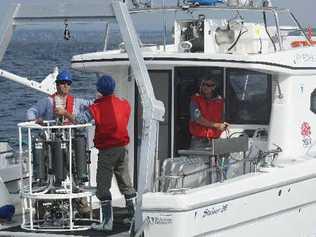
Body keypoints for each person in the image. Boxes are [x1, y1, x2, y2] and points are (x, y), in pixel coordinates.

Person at [56, 75, 137, 232]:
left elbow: (79, 120)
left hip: (107, 151)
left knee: (103, 188)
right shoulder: (124, 104)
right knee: (126, 184)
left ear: (99, 90)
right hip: (122, 149)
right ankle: (133, 216)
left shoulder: (96, 107)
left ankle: (107, 223)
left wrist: (65, 113)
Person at [26, 70, 91, 123]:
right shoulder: (47, 101)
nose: (66, 85)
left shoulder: (77, 102)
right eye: (63, 82)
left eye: (68, 83)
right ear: (57, 84)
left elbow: (94, 104)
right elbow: (31, 111)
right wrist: (34, 120)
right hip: (52, 135)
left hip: (73, 135)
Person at [189, 78, 229, 148]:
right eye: (204, 84)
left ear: (214, 87)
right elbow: (197, 118)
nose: (205, 87)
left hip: (216, 140)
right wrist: (217, 125)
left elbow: (223, 117)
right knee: (196, 159)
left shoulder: (220, 101)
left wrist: (225, 124)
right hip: (199, 140)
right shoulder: (195, 99)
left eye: (209, 85)